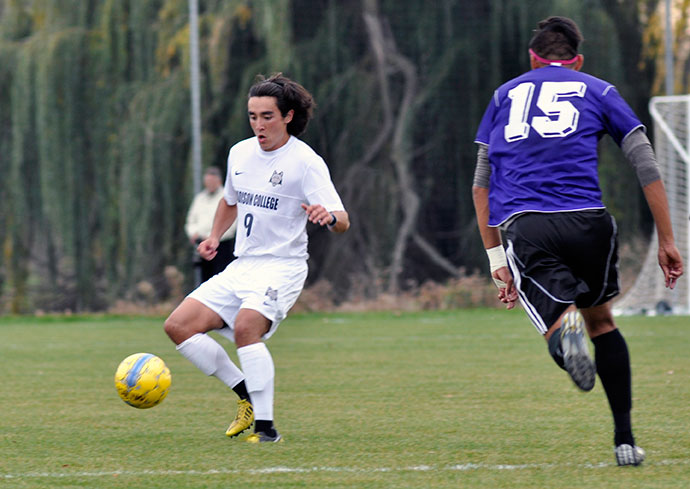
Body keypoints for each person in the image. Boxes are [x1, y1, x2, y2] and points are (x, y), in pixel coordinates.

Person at [472, 16, 683, 466]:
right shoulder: (600, 89)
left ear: (532, 60)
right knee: (603, 322)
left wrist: (495, 257)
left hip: (529, 227)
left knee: (560, 323)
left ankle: (563, 330)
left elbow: (481, 183)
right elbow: (644, 160)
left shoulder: (502, 95)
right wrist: (667, 239)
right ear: (578, 61)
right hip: (591, 223)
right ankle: (624, 441)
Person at [164, 73, 350, 443]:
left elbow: (342, 220)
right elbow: (230, 202)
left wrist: (326, 217)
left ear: (288, 116)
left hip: (283, 266)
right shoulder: (239, 153)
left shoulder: (305, 162)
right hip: (243, 265)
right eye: (252, 116)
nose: (258, 125)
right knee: (178, 326)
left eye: (267, 116)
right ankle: (246, 395)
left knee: (248, 327)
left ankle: (267, 429)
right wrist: (214, 237)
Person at [185, 166, 237, 284]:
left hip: (221, 246)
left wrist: (213, 237)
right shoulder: (200, 198)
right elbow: (191, 220)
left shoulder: (226, 197)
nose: (209, 184)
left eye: (212, 181)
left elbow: (231, 223)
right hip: (202, 245)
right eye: (207, 181)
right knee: (205, 280)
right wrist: (194, 233)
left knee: (221, 279)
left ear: (218, 181)